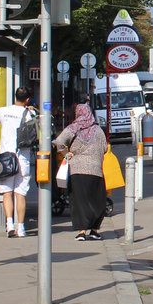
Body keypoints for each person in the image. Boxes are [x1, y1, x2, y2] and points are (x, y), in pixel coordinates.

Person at [0, 87, 36, 238]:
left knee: (7, 193)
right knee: (20, 194)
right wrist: (31, 109)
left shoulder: (3, 111)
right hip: (22, 157)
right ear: (27, 100)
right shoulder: (30, 114)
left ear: (15, 97)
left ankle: (9, 224)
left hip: (6, 158)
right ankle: (22, 227)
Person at [53, 100, 108, 241]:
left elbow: (59, 141)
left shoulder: (74, 128)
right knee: (96, 200)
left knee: (79, 200)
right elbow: (105, 148)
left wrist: (65, 152)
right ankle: (94, 230)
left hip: (77, 169)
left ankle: (82, 231)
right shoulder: (98, 130)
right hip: (96, 170)